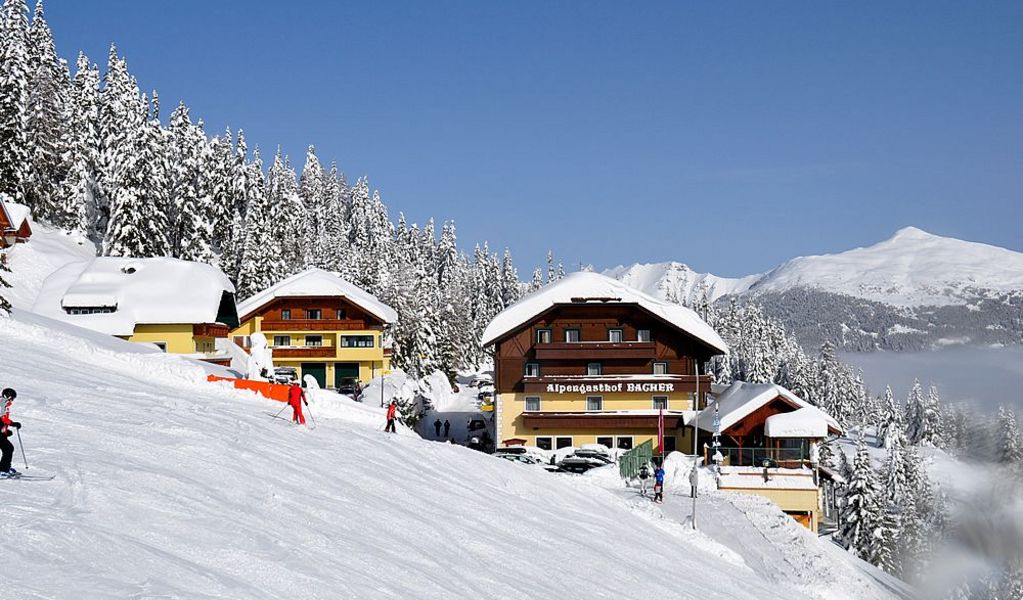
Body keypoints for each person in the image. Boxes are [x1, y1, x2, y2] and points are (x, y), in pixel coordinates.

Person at [1, 388, 22, 478]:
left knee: (8, 449)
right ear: (8, 396)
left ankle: (4, 468)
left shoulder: (3, 403)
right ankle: (3, 470)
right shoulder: (2, 402)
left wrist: (5, 431)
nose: (12, 400)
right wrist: (13, 423)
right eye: (12, 398)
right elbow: (2, 418)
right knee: (8, 449)